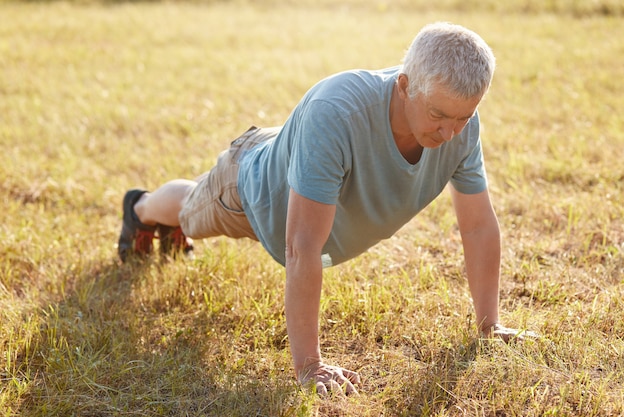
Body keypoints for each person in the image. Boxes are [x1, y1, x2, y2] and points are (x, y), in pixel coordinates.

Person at [117, 22, 532, 396]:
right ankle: (141, 207)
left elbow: (477, 226)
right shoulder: (337, 113)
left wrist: (489, 326)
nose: (449, 132)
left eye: (463, 117)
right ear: (404, 85)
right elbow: (301, 245)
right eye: (438, 114)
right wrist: (308, 366)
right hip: (248, 188)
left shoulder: (460, 127)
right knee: (191, 210)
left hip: (307, 156)